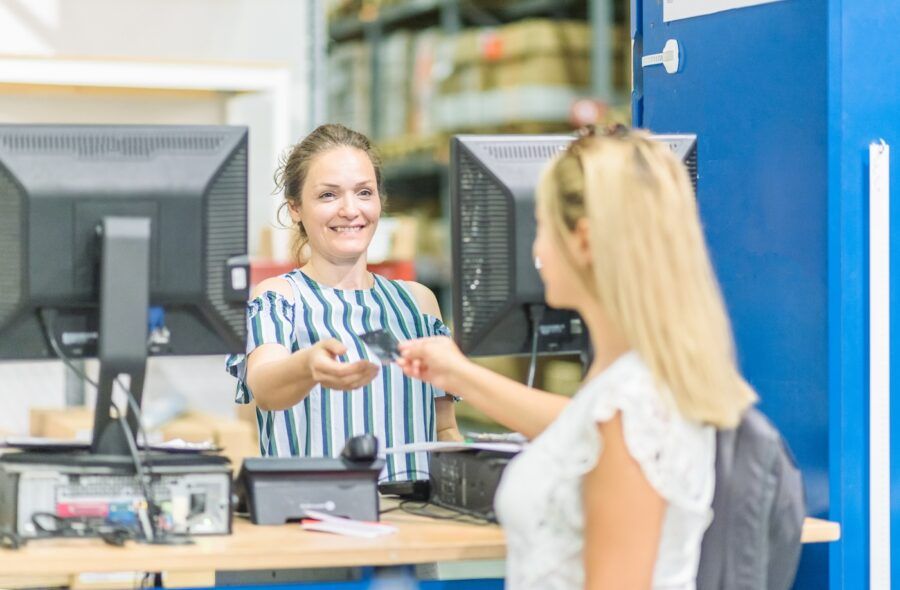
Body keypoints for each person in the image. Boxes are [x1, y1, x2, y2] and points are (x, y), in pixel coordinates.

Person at [397, 126, 756, 589]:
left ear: (583, 241)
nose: (535, 250)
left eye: (541, 226)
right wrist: (458, 374)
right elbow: (577, 427)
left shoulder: (631, 404)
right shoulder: (629, 383)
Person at [226, 123, 461, 481]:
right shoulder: (279, 298)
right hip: (313, 522)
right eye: (328, 195)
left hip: (413, 523)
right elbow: (265, 387)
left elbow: (443, 430)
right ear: (295, 208)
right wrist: (308, 366)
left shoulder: (418, 303)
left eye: (364, 192)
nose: (351, 210)